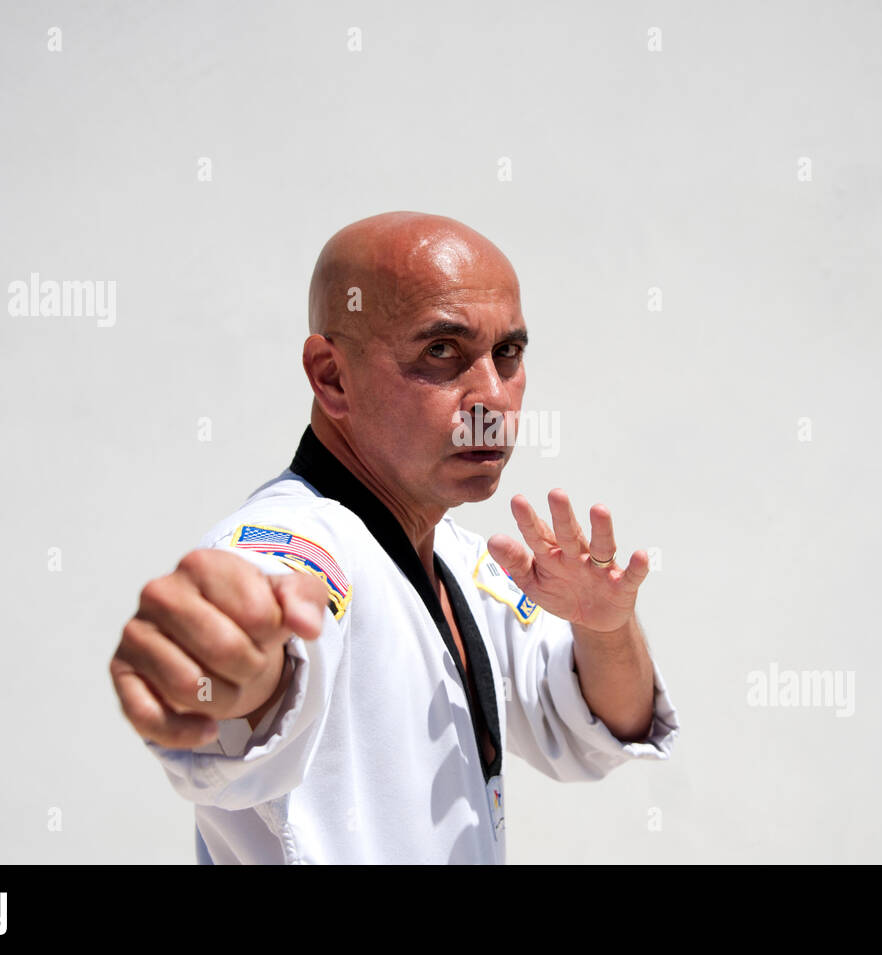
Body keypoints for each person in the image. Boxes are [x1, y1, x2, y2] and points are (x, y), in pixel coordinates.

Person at [108, 211, 681, 863]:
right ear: (331, 376)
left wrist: (604, 629)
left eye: (509, 353)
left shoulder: (465, 561)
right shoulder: (298, 540)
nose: (492, 397)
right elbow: (271, 633)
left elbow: (595, 729)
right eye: (441, 351)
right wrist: (231, 667)